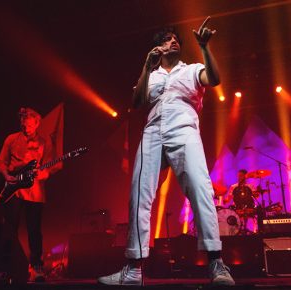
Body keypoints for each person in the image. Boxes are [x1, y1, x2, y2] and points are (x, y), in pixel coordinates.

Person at [98, 17, 234, 286]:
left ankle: (217, 264)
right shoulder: (151, 75)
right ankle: (134, 269)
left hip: (184, 129)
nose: (173, 41)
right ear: (157, 48)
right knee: (139, 195)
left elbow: (215, 79)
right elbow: (136, 102)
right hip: (152, 132)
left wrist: (205, 47)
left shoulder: (192, 69)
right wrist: (146, 68)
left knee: (200, 189)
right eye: (166, 39)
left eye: (175, 39)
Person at [0, 107, 52, 282]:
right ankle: (5, 268)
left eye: (29, 125)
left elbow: (50, 165)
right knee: (9, 229)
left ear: (37, 124)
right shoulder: (11, 139)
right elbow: (1, 161)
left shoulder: (44, 142)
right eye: (23, 125)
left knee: (34, 230)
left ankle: (36, 267)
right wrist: (6, 175)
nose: (26, 128)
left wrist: (44, 173)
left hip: (34, 192)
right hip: (14, 190)